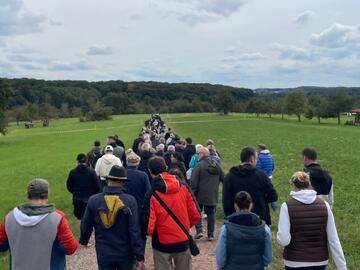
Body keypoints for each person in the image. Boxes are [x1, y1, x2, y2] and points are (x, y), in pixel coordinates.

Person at [0, 179, 78, 270]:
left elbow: (1, 245)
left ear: (28, 195)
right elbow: (70, 248)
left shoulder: (10, 217)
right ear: (47, 195)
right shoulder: (57, 218)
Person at [277, 171, 347, 270]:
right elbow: (333, 239)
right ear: (309, 184)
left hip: (294, 261)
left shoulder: (286, 206)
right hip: (319, 261)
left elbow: (284, 240)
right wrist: (342, 267)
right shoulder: (324, 205)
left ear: (293, 185)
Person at [80, 165, 144, 270]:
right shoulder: (129, 201)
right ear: (123, 183)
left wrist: (84, 239)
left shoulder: (94, 200)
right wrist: (139, 255)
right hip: (125, 251)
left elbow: (86, 224)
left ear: (107, 180)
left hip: (104, 251)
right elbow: (134, 230)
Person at [142, 156, 200, 270]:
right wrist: (185, 226)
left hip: (162, 242)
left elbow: (148, 226)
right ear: (166, 167)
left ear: (150, 171)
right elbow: (195, 214)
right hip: (182, 238)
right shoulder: (183, 186)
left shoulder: (151, 193)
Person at [215, 191, 272, 270]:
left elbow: (220, 259)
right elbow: (268, 258)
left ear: (235, 205)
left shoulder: (226, 229)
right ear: (251, 205)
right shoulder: (264, 228)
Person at [223, 147, 278, 225]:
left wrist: (230, 218)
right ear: (252, 158)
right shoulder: (261, 175)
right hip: (259, 222)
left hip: (236, 222)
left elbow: (226, 202)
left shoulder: (229, 177)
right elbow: (273, 196)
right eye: (256, 158)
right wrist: (261, 200)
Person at [191, 147, 223, 240]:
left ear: (202, 154)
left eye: (198, 154)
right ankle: (210, 234)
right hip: (212, 194)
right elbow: (223, 178)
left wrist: (192, 192)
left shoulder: (199, 165)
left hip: (199, 193)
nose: (197, 156)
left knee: (197, 212)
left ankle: (199, 230)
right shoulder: (216, 165)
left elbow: (193, 181)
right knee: (211, 213)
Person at [67, 153, 101, 220]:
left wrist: (75, 192)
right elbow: (97, 186)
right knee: (90, 218)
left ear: (77, 161)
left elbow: (69, 186)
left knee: (80, 218)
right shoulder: (92, 172)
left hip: (77, 199)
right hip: (89, 199)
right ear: (86, 161)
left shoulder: (72, 172)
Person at [256, 144, 276, 210]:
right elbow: (273, 166)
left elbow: (257, 168)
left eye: (257, 149)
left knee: (261, 192)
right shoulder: (270, 156)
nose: (257, 150)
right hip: (269, 177)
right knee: (270, 191)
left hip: (262, 177)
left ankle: (263, 206)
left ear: (260, 149)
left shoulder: (259, 157)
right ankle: (274, 207)